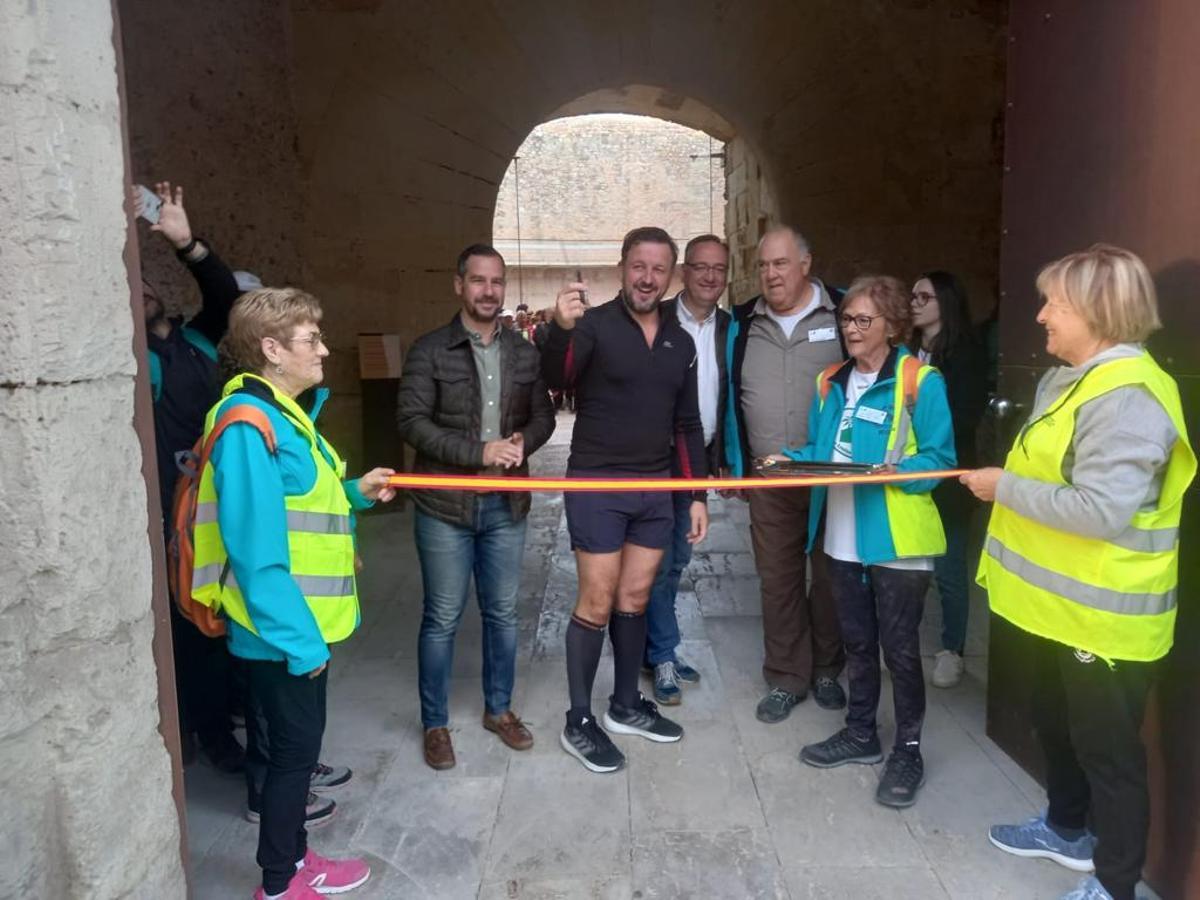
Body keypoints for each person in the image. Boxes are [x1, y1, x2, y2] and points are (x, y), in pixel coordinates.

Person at [963, 245, 1195, 900]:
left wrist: (1003, 486)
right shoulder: (1070, 380)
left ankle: (1116, 884)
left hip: (1105, 618)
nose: (1039, 316)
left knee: (1111, 757)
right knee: (1054, 723)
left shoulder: (1132, 398)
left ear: (1098, 312)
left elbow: (1101, 511)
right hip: (1052, 609)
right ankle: (1066, 828)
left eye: (1054, 304)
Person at [192, 287, 396, 899]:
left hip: (296, 629)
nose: (326, 349)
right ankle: (280, 884)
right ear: (272, 349)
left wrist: (357, 490)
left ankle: (296, 862)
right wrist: (303, 645)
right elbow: (257, 555)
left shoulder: (282, 416)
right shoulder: (247, 427)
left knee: (294, 756)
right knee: (288, 761)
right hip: (281, 633)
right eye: (312, 339)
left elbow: (303, 504)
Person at [778, 275, 954, 808]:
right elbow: (822, 451)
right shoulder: (830, 381)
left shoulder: (919, 380)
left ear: (892, 325)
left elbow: (941, 462)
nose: (850, 330)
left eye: (862, 320)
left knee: (899, 650)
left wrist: (888, 472)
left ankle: (908, 750)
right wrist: (789, 462)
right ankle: (861, 734)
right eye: (846, 320)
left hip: (898, 541)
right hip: (841, 537)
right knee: (856, 642)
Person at [542, 226, 708, 774]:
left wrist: (697, 494)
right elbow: (557, 376)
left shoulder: (680, 342)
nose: (647, 278)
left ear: (672, 275)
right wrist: (561, 329)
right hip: (597, 484)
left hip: (655, 488)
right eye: (639, 266)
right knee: (597, 598)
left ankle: (624, 706)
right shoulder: (592, 326)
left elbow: (687, 425)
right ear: (622, 267)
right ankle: (578, 721)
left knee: (636, 596)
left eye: (659, 269)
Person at [397, 244, 556, 770]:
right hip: (445, 505)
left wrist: (520, 441)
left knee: (503, 614)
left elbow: (544, 417)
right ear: (459, 285)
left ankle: (499, 709)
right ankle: (435, 723)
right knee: (441, 616)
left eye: (497, 282)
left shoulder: (523, 351)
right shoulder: (429, 350)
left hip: (505, 505)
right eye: (479, 281)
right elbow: (413, 422)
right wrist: (478, 452)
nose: (489, 291)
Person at [134, 181, 247, 774]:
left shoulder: (196, 339)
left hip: (217, 500)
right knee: (189, 624)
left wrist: (186, 243)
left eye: (148, 284)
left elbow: (225, 295)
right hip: (170, 513)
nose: (143, 291)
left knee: (222, 609)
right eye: (133, 287)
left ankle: (225, 710)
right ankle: (209, 734)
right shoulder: (133, 358)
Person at [723, 226, 846, 723]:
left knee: (832, 574)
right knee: (777, 578)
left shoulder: (843, 311)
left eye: (780, 263)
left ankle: (826, 669)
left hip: (831, 476)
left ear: (805, 264)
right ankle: (787, 676)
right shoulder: (741, 323)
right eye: (763, 265)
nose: (771, 274)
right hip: (769, 477)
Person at [643, 234, 730, 704]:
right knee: (660, 562)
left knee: (675, 560)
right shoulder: (656, 319)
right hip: (660, 463)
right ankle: (661, 654)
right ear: (683, 273)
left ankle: (659, 647)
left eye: (719, 268)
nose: (710, 277)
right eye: (700, 267)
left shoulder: (731, 327)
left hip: (700, 459)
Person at [910, 271, 988, 687]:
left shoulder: (966, 355)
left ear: (946, 302)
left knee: (949, 568)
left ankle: (951, 649)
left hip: (950, 477)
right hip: (908, 473)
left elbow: (964, 418)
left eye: (924, 296)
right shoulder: (904, 352)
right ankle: (902, 640)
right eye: (913, 295)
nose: (915, 302)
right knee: (907, 564)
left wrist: (918, 426)